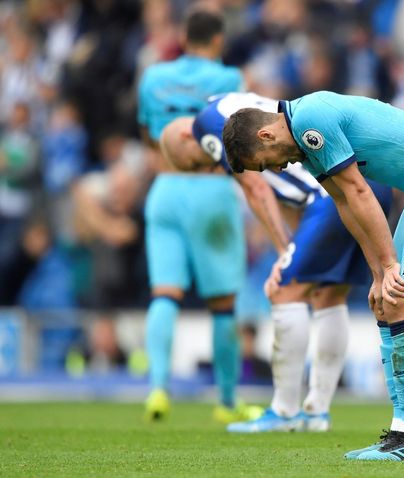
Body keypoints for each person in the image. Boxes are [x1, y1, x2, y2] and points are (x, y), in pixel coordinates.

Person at [222, 91, 404, 461]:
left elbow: (360, 191)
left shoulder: (310, 120)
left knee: (400, 299)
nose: (276, 170)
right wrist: (377, 274)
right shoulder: (307, 143)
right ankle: (402, 434)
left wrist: (389, 267)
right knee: (386, 301)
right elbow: (346, 204)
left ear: (266, 136)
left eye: (264, 163)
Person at [160, 91, 392, 432]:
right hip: (367, 182)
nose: (209, 167)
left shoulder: (204, 127)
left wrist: (284, 252)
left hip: (330, 194)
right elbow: (283, 182)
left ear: (186, 137)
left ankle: (284, 412)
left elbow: (256, 187)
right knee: (329, 295)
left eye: (197, 163)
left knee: (284, 292)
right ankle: (316, 411)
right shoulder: (232, 102)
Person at [137, 6, 264, 424]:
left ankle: (157, 389)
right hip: (211, 190)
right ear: (217, 41)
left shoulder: (154, 76)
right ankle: (226, 403)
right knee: (223, 304)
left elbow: (149, 137)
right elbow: (242, 136)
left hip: (166, 188)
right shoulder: (230, 80)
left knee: (164, 293)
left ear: (183, 38)